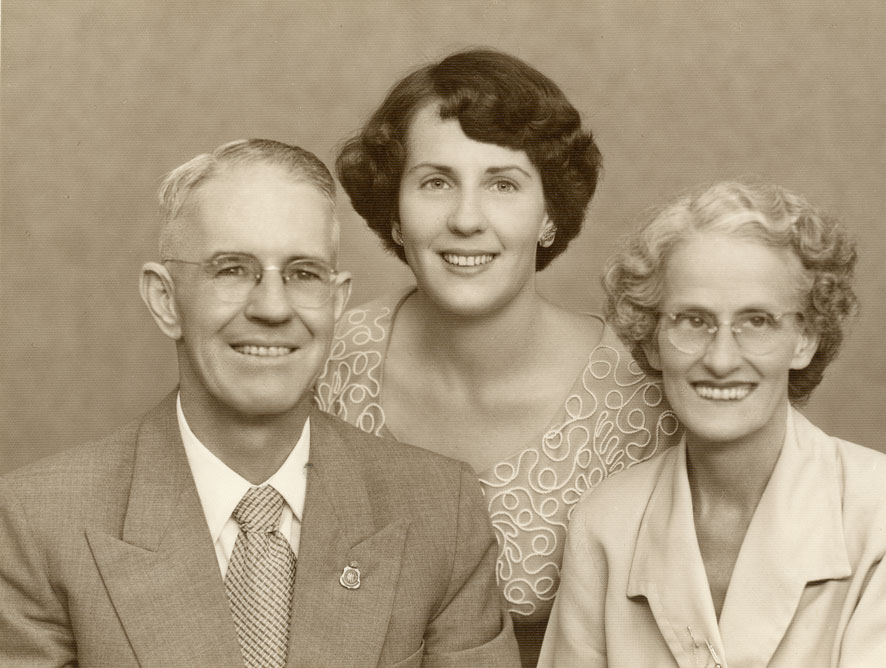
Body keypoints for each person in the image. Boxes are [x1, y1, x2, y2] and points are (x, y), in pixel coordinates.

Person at [0, 139, 519, 668]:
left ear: (336, 303)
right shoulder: (36, 523)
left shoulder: (441, 512)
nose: (272, 307)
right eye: (231, 269)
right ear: (165, 300)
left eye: (302, 273)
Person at [314, 49, 681, 664]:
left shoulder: (645, 399)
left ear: (549, 215)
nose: (465, 218)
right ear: (395, 213)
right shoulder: (325, 361)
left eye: (503, 184)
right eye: (435, 182)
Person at [538, 182, 886, 667]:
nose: (720, 359)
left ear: (805, 339)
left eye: (756, 321)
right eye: (693, 320)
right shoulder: (606, 519)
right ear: (651, 339)